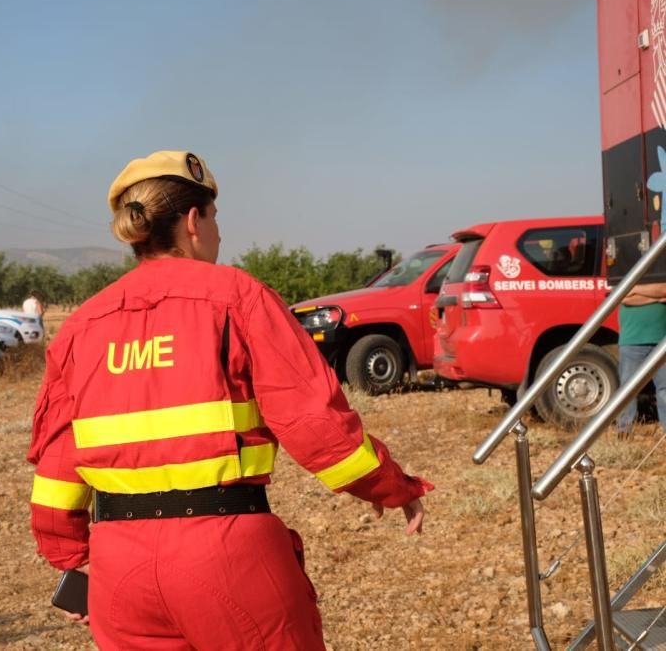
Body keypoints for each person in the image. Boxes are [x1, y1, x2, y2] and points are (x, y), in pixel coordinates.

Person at [27, 150, 433, 650]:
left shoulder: (82, 325)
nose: (218, 231)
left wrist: (69, 558)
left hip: (118, 568)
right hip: (226, 553)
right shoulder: (237, 296)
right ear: (194, 221)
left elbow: (58, 461)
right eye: (216, 217)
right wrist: (391, 486)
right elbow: (315, 425)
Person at [616, 281, 666, 437]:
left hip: (662, 341)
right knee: (628, 389)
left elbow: (664, 288)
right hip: (632, 340)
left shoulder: (660, 270)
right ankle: (624, 431)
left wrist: (635, 291)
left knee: (665, 389)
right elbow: (623, 297)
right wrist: (657, 298)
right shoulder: (626, 271)